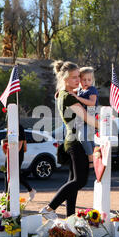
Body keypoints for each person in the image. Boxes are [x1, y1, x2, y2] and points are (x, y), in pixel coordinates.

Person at [39, 60, 99, 220]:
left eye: (78, 77)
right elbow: (86, 118)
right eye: (74, 77)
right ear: (64, 78)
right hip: (77, 142)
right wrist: (105, 124)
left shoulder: (66, 94)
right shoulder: (68, 97)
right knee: (80, 181)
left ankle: (70, 218)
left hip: (72, 140)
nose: (78, 80)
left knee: (73, 181)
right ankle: (49, 208)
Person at [70, 67, 99, 168]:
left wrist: (77, 98)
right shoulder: (80, 90)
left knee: (83, 137)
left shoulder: (92, 89)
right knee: (88, 139)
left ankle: (91, 158)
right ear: (80, 80)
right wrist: (61, 92)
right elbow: (68, 90)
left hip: (89, 119)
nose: (86, 82)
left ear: (92, 80)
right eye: (84, 80)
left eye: (89, 80)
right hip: (80, 119)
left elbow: (92, 103)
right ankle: (96, 155)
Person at [2, 124, 37, 201]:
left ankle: (30, 190)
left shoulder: (19, 127)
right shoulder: (10, 126)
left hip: (17, 154)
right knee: (6, 171)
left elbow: (20, 143)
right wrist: (4, 147)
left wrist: (13, 155)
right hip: (10, 153)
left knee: (16, 174)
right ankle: (6, 192)